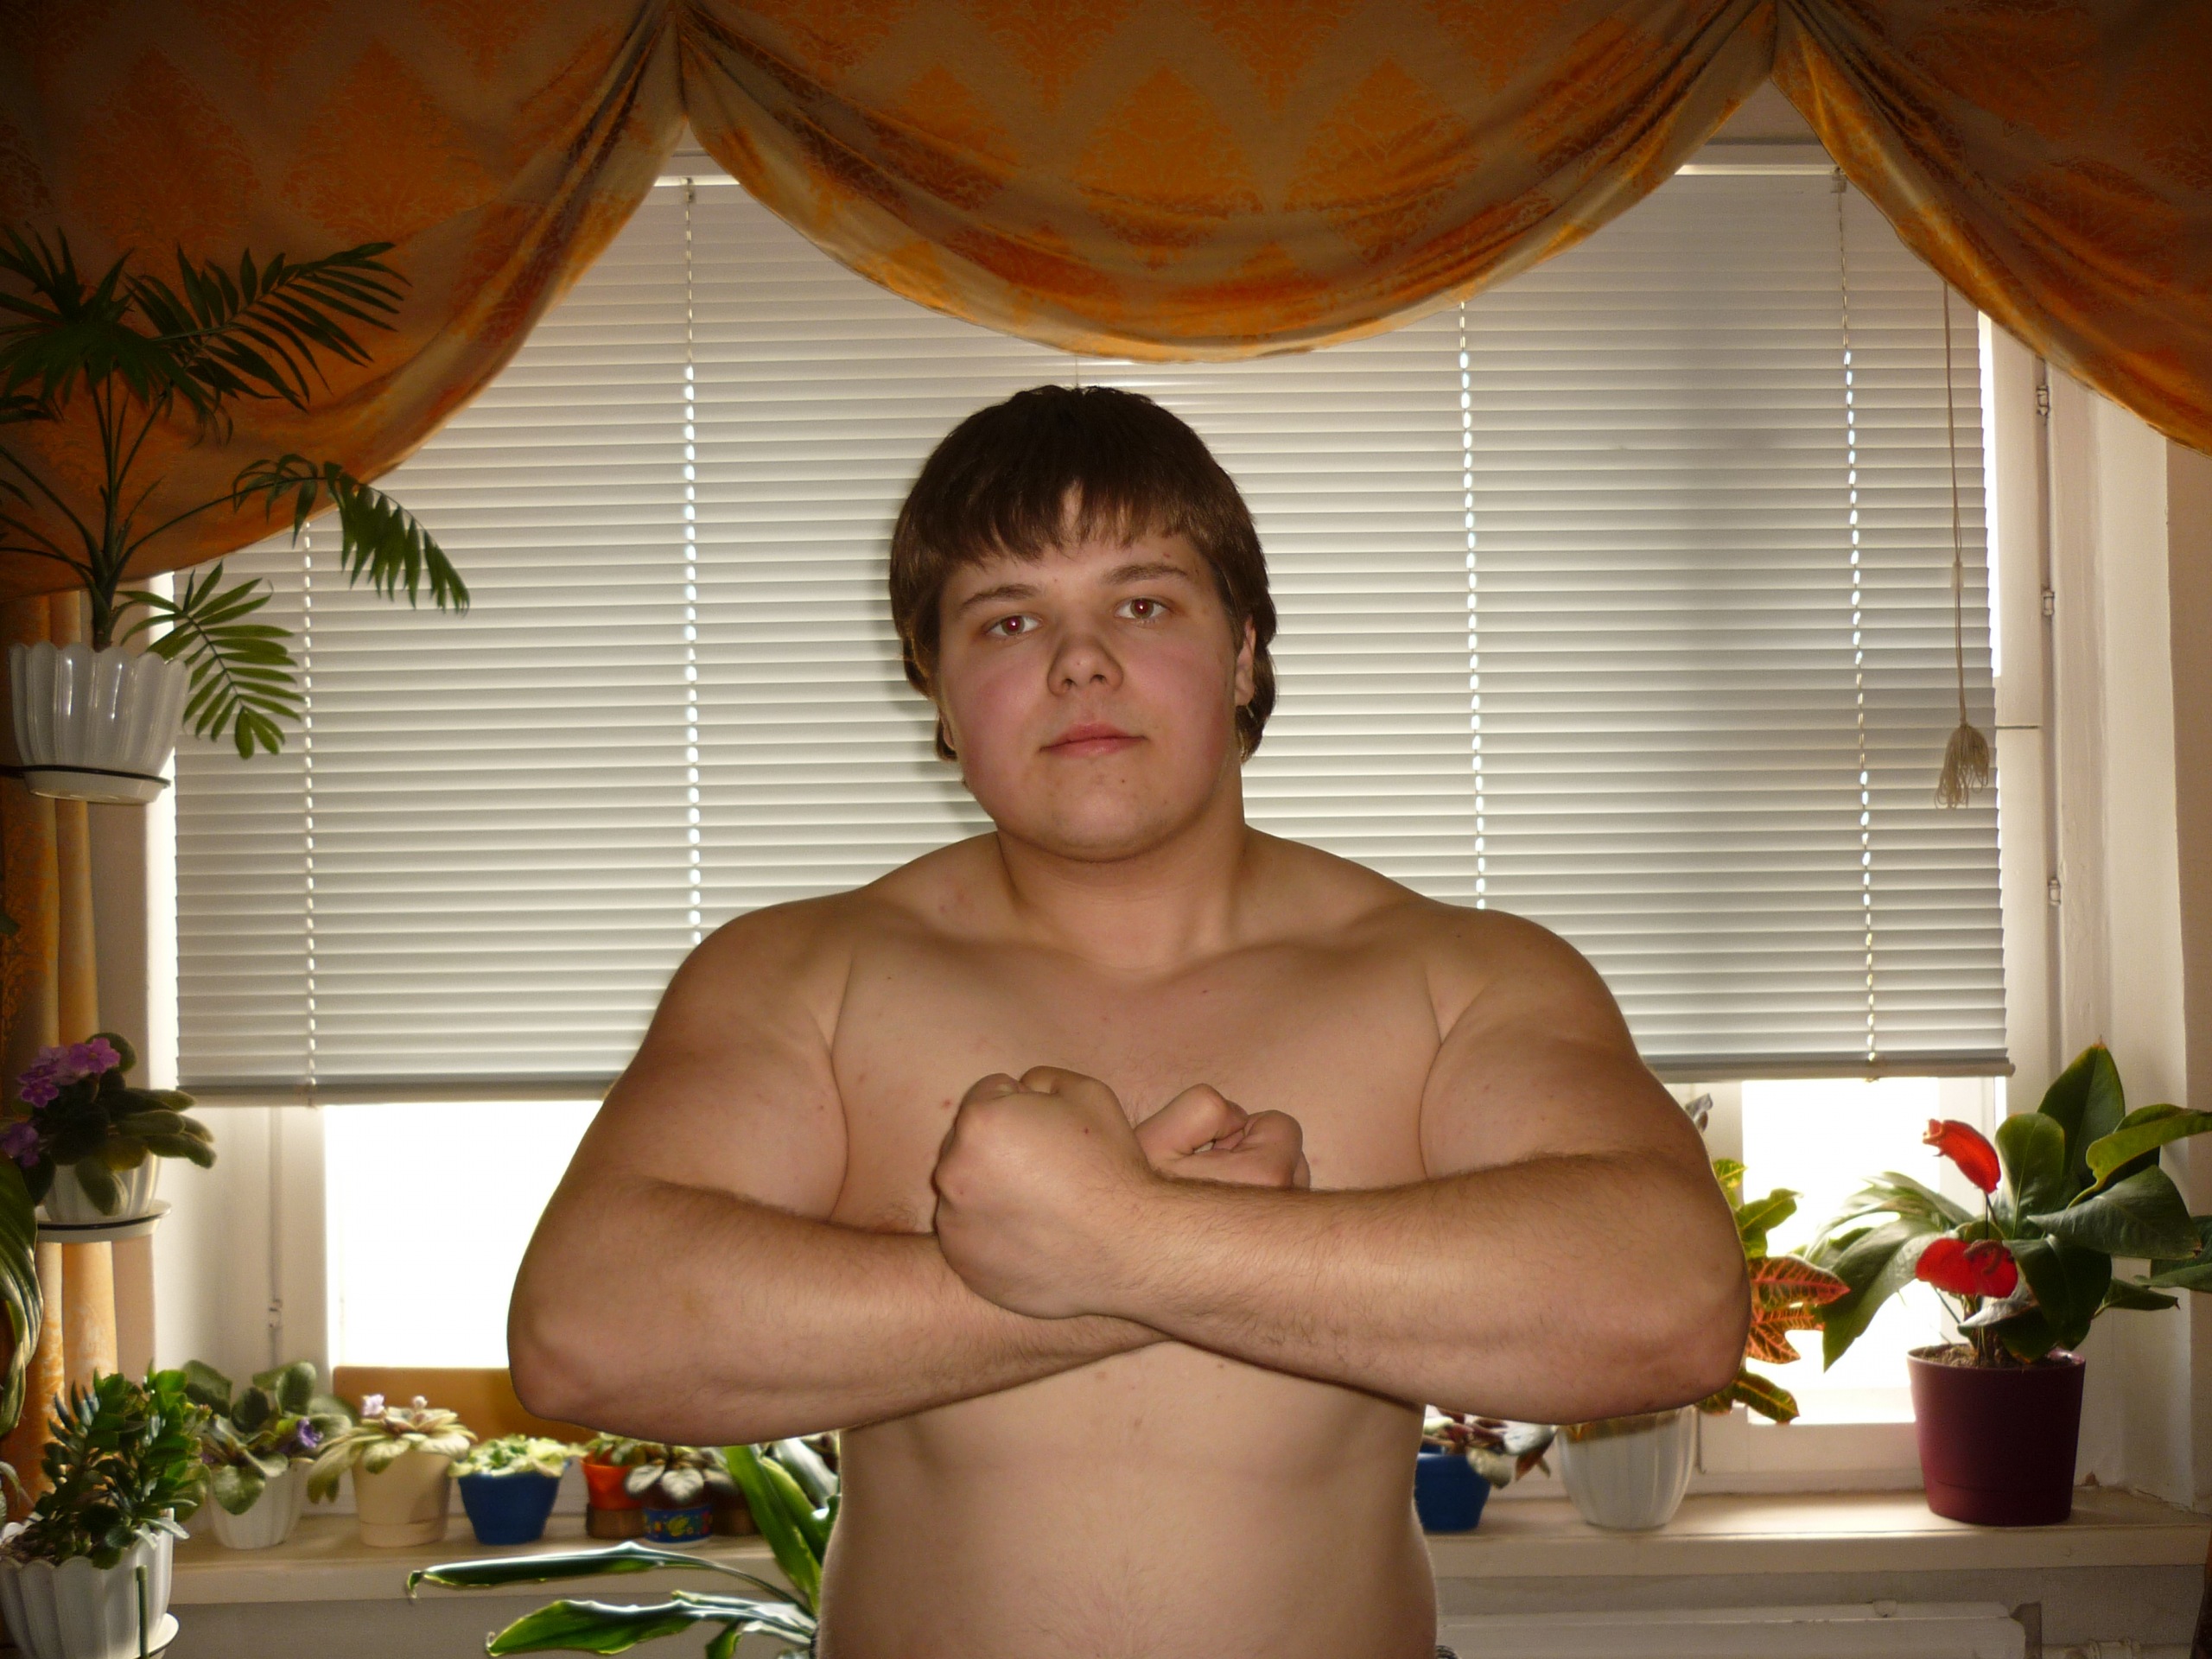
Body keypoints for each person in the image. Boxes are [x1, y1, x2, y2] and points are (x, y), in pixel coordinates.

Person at [510, 385, 1750, 1659]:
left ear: (1245, 652)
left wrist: (1121, 1239)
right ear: (936, 687)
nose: (1079, 661)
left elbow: (1671, 1304)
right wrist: (1150, 1253)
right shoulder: (797, 980)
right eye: (1008, 619)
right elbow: (585, 1334)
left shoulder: (1460, 979)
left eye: (1143, 604)